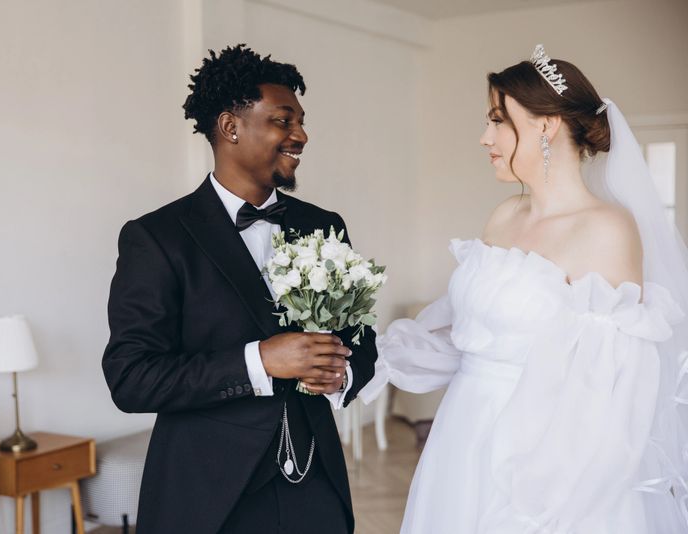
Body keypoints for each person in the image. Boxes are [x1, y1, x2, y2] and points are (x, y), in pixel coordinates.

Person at [360, 44, 688, 533]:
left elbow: (610, 390)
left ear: (546, 124)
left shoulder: (607, 230)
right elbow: (470, 335)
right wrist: (376, 356)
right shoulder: (504, 215)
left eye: (497, 120)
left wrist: (548, 491)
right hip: (462, 436)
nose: (484, 137)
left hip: (541, 458)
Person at [102, 44, 377, 534]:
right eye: (284, 121)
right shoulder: (156, 237)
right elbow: (131, 378)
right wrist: (261, 361)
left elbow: (361, 342)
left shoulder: (324, 225)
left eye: (301, 121)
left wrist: (340, 375)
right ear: (231, 127)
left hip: (316, 489)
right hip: (208, 496)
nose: (301, 135)